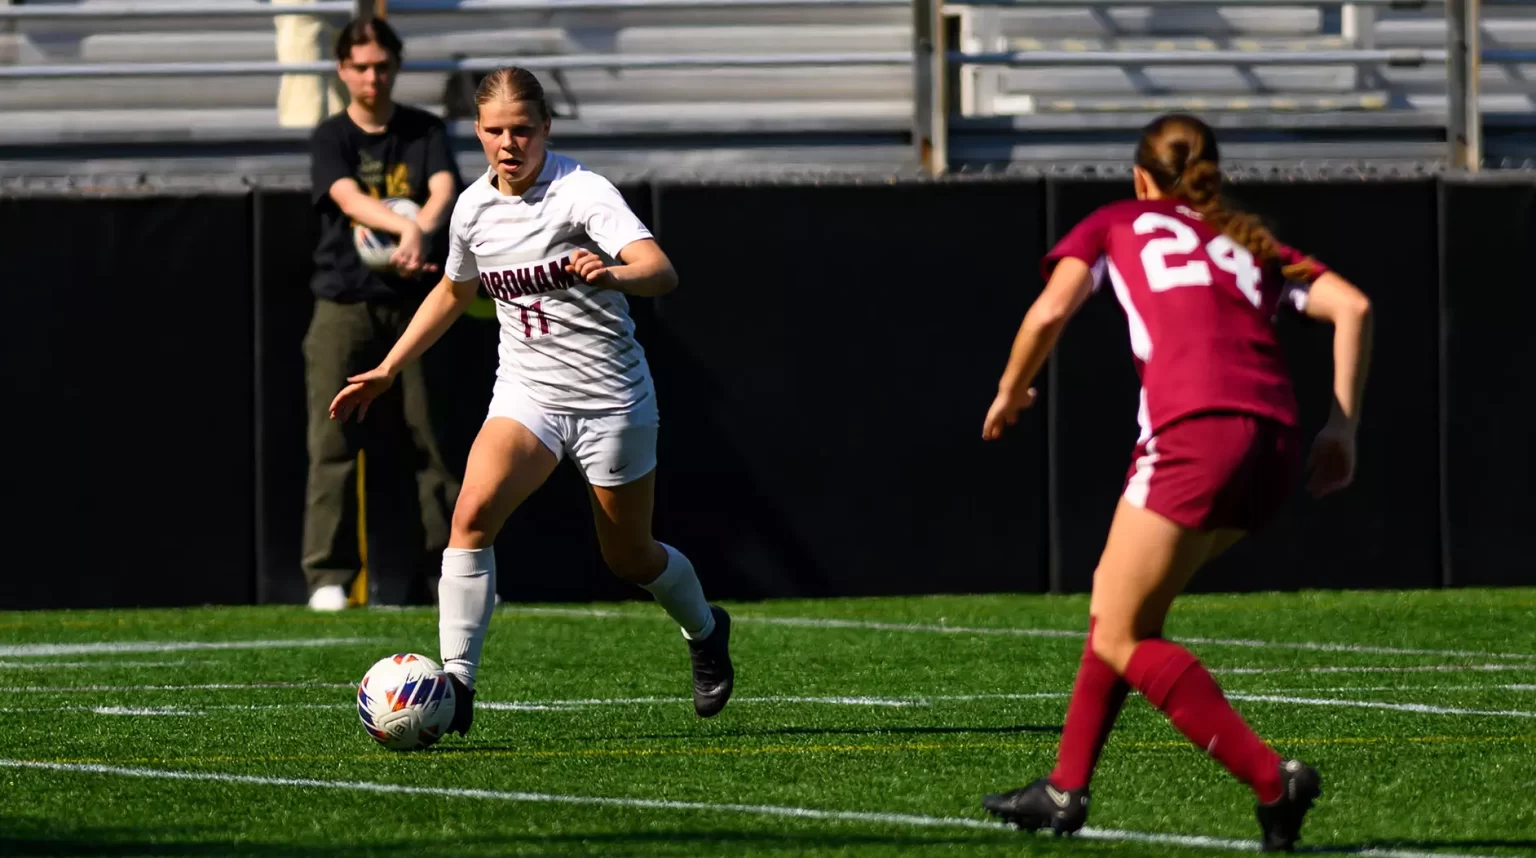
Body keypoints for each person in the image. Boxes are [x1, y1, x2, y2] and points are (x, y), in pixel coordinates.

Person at [978, 113, 1373, 852]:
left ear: (1140, 177)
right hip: (1274, 441)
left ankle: (1271, 777)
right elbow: (1352, 305)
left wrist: (1010, 391)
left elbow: (1051, 310)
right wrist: (1342, 429)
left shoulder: (1116, 221)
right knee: (1123, 610)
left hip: (1196, 433)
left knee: (1120, 626)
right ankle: (1064, 788)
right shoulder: (1248, 240)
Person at [328, 67, 735, 730]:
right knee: (470, 517)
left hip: (610, 397)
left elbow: (661, 271)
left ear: (546, 127)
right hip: (528, 393)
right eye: (495, 130)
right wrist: (389, 367)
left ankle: (706, 630)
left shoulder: (582, 192)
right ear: (477, 131)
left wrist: (615, 273)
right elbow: (455, 291)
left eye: (522, 129)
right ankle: (457, 686)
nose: (508, 143)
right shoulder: (472, 207)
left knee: (629, 556)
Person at [301, 16, 464, 612]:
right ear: (343, 70)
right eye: (362, 67)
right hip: (344, 304)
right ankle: (329, 577)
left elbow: (444, 186)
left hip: (417, 307)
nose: (373, 78)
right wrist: (405, 227)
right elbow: (346, 196)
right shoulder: (331, 136)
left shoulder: (424, 129)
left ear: (397, 67)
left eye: (383, 66)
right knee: (333, 441)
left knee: (433, 438)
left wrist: (422, 228)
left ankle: (451, 572)